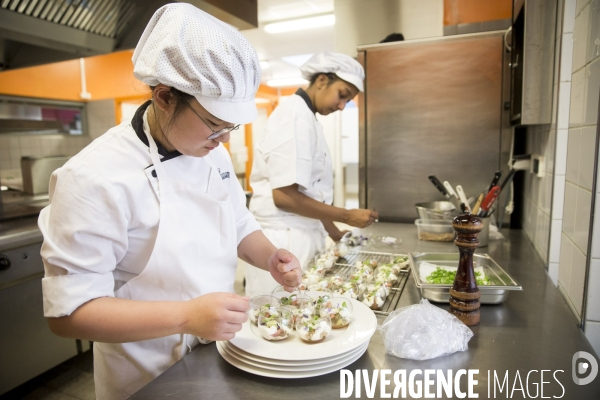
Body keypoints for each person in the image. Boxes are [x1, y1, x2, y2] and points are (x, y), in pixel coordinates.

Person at [38, 4, 301, 399]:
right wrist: (187, 317)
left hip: (217, 353)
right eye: (215, 124)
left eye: (231, 127)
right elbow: (69, 314)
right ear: (164, 96)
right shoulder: (93, 177)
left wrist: (269, 257)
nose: (225, 140)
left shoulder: (212, 152)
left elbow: (237, 223)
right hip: (146, 375)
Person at [245, 51, 379, 298]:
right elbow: (284, 197)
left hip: (301, 233)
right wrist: (347, 215)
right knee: (279, 318)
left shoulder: (306, 118)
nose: (341, 106)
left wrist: (333, 231)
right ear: (321, 81)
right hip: (284, 239)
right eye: (342, 95)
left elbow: (309, 192)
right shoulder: (294, 117)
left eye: (347, 101)